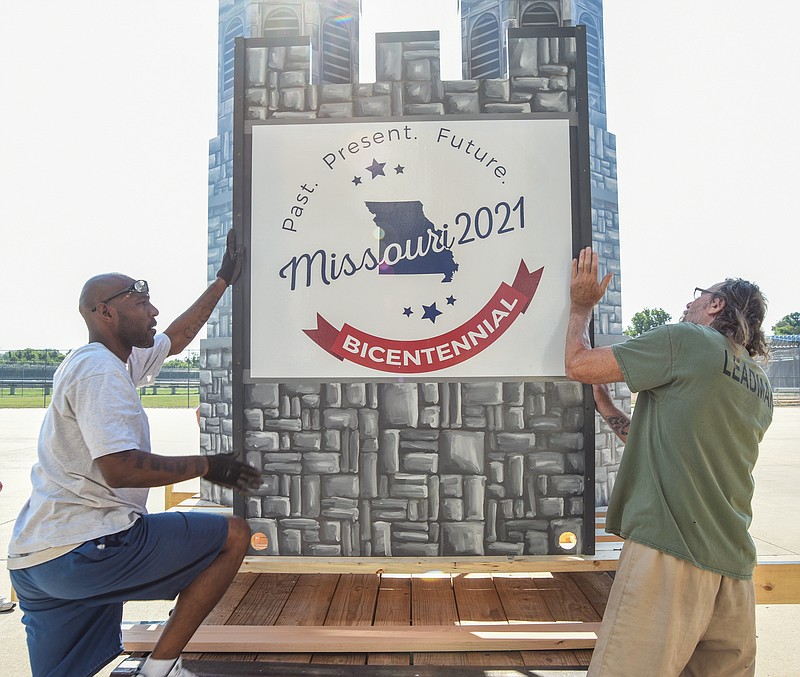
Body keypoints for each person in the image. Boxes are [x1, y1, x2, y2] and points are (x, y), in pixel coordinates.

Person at [8, 231, 261, 677]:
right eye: (140, 302)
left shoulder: (111, 360)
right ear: (105, 312)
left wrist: (222, 281)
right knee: (233, 535)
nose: (153, 310)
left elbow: (176, 337)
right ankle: (159, 668)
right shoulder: (100, 372)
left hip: (37, 563)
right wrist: (209, 465)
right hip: (87, 550)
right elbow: (118, 468)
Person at [565, 247, 773, 677]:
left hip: (671, 554)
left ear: (717, 305)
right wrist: (607, 407)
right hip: (732, 568)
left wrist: (581, 307)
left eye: (699, 296)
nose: (688, 303)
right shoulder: (758, 382)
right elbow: (678, 444)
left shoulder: (688, 339)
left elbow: (579, 364)